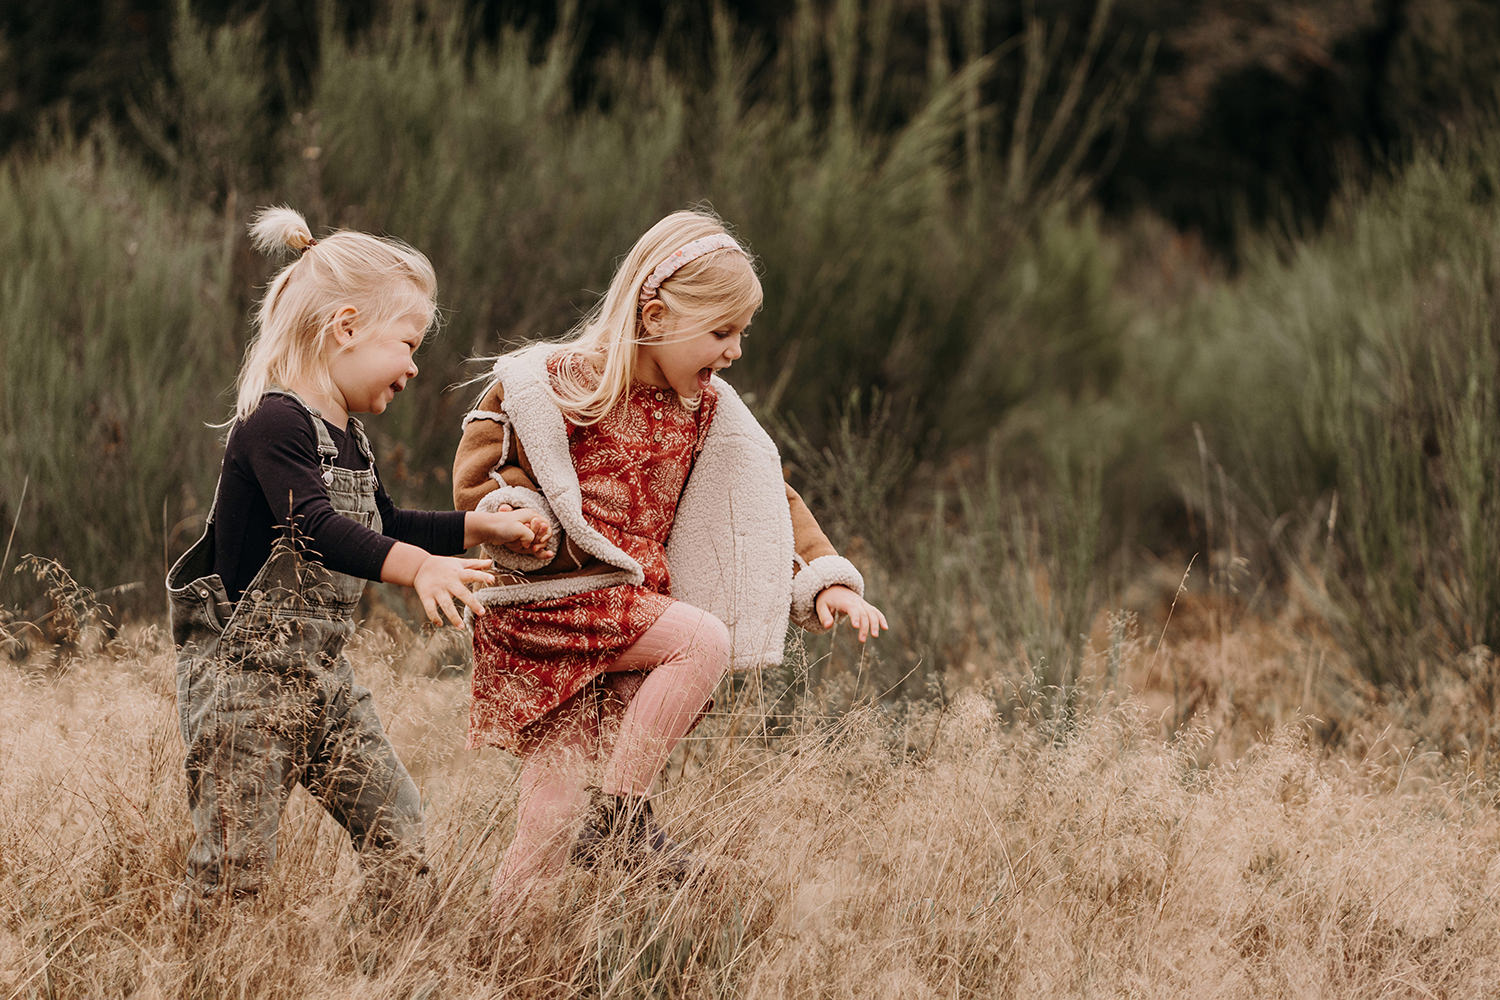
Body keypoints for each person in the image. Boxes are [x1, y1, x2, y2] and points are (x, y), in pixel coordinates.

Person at [452, 208, 888, 914]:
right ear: (653, 316)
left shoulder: (706, 408)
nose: (737, 350)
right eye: (722, 332)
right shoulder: (554, 383)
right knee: (701, 639)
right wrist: (514, 514)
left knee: (550, 816)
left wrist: (821, 574)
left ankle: (501, 959)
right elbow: (487, 465)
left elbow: (761, 500)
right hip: (557, 603)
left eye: (742, 332)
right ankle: (623, 819)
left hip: (627, 613)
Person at [166, 206, 552, 909]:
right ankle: (201, 976)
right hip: (244, 690)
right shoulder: (274, 421)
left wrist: (480, 529)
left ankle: (387, 968)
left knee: (396, 824)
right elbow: (311, 526)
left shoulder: (349, 437)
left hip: (324, 682)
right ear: (346, 327)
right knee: (234, 870)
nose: (413, 366)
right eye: (407, 343)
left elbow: (388, 522)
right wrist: (417, 568)